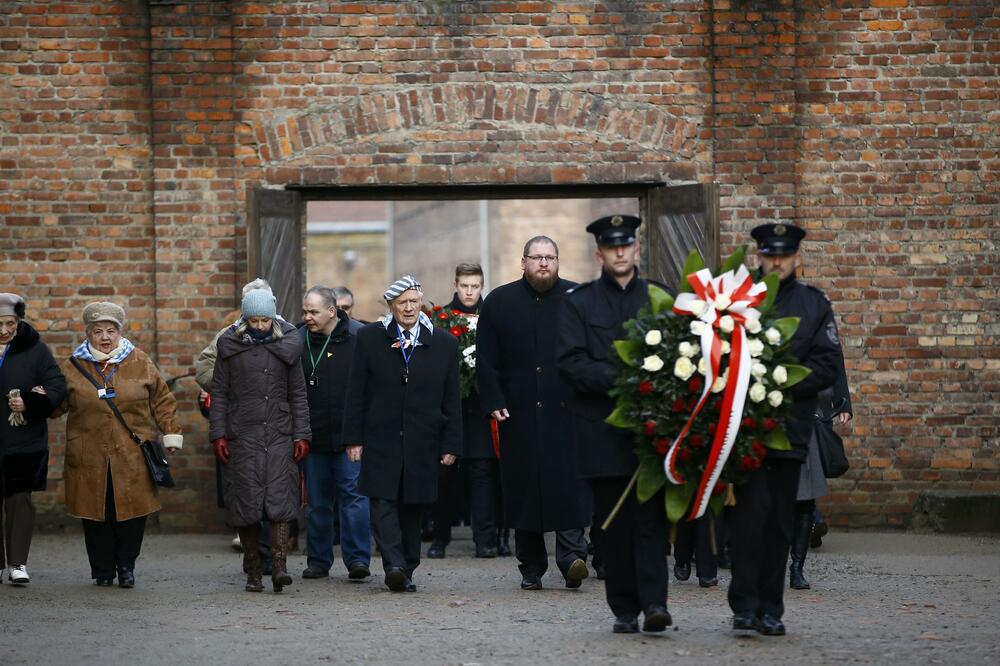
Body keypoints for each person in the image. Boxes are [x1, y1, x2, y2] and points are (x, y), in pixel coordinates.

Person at [726, 222, 845, 635]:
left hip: (790, 431)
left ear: (797, 258)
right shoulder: (739, 300)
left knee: (778, 523)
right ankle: (743, 605)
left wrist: (781, 379)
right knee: (746, 521)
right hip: (743, 431)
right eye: (769, 255)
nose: (776, 262)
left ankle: (771, 609)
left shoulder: (814, 304)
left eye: (784, 255)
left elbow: (828, 363)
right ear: (758, 256)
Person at [557, 215, 672, 634]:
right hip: (602, 432)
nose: (620, 252)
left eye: (626, 245)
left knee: (653, 523)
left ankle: (656, 602)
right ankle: (624, 608)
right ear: (599, 254)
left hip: (654, 433)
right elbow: (569, 362)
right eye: (612, 247)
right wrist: (626, 379)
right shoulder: (580, 303)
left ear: (636, 250)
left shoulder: (660, 299)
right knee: (615, 527)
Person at [477, 237, 590, 591]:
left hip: (566, 412)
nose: (544, 263)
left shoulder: (578, 299)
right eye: (536, 257)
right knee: (524, 488)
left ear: (558, 261)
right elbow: (486, 359)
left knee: (568, 483)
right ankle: (531, 566)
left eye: (550, 257)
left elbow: (589, 353)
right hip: (518, 412)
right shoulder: (499, 302)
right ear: (523, 261)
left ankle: (573, 558)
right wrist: (493, 398)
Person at [342, 275, 461, 593]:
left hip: (424, 439)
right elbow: (356, 392)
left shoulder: (444, 343)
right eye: (402, 302)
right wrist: (353, 438)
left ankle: (407, 564)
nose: (409, 308)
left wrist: (451, 443)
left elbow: (452, 399)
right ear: (391, 306)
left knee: (414, 506)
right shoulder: (369, 338)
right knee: (382, 501)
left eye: (414, 301)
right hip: (381, 436)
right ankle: (393, 564)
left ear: (421, 303)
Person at [54, 302, 183, 588]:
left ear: (119, 333)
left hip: (132, 452)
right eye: (98, 331)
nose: (105, 337)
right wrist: (35, 399)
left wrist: (170, 433)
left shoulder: (139, 361)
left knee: (132, 512)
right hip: (88, 452)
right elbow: (56, 404)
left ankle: (126, 566)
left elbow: (162, 400)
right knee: (95, 512)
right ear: (88, 333)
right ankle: (102, 570)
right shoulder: (73, 366)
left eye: (111, 331)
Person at [210, 287, 311, 593]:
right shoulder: (229, 346)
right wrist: (219, 434)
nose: (258, 327)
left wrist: (302, 434)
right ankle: (254, 571)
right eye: (252, 321)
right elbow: (220, 394)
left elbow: (298, 394)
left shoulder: (288, 346)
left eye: (263, 321)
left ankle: (280, 568)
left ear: (272, 318)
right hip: (244, 435)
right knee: (248, 504)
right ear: (245, 318)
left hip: (279, 433)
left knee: (280, 501)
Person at [427, 263, 501, 559]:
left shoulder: (492, 317)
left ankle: (484, 539)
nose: (470, 292)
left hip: (481, 409)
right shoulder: (440, 319)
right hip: (449, 409)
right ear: (455, 285)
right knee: (445, 476)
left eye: (475, 286)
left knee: (482, 474)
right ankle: (439, 538)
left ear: (482, 286)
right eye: (465, 286)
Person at [298, 286, 371, 582]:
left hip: (348, 438)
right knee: (317, 503)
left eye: (313, 312)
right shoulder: (297, 340)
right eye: (305, 312)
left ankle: (357, 560)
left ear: (332, 311)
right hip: (313, 437)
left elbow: (370, 389)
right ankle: (318, 561)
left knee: (354, 499)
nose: (307, 317)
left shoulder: (359, 337)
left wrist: (361, 435)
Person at [0, 294, 67, 586]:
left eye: (10, 323)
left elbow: (57, 386)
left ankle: (17, 563)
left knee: (20, 500)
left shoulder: (36, 350)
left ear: (18, 322)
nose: (4, 330)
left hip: (22, 439)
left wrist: (28, 402)